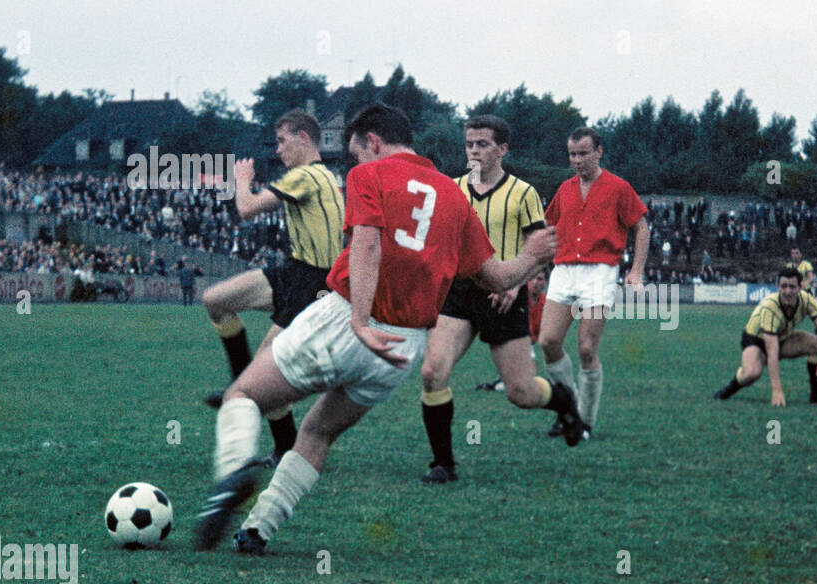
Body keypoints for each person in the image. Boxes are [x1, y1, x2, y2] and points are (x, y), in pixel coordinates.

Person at [194, 103, 559, 553]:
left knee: (242, 396)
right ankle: (257, 530)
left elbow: (366, 244)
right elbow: (497, 277)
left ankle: (233, 475)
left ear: (374, 143)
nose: (354, 163)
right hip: (401, 350)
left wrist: (360, 320)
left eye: (355, 153)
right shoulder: (453, 196)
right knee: (318, 433)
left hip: (348, 321)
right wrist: (533, 256)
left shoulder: (369, 176)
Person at [417, 116, 586, 483]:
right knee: (432, 372)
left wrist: (515, 283)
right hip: (460, 294)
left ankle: (563, 401)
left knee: (522, 393)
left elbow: (541, 251)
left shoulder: (523, 193)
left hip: (507, 296)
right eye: (469, 144)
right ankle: (443, 463)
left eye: (482, 144)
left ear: (502, 149)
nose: (474, 151)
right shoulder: (452, 189)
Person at [200, 109, 344, 463]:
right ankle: (242, 384)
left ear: (304, 138)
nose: (278, 150)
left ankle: (281, 443)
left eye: (282, 141)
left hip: (314, 282)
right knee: (215, 300)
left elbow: (247, 208)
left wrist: (240, 178)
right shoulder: (320, 177)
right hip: (295, 271)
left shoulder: (308, 175)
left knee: (270, 369)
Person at [537, 126, 649, 442]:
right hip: (564, 269)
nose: (577, 160)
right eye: (572, 154)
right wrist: (533, 266)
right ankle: (567, 408)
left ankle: (584, 421)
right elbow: (549, 227)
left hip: (599, 270)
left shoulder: (618, 187)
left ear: (598, 152)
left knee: (587, 348)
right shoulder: (565, 189)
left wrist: (636, 271)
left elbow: (641, 228)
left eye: (583, 153)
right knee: (547, 342)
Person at [712, 266, 817, 406]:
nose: (788, 291)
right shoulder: (770, 307)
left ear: (800, 287)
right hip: (755, 340)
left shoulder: (807, 300)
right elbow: (772, 352)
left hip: (782, 337)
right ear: (777, 286)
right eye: (783, 286)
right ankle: (730, 388)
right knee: (752, 373)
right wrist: (777, 390)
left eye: (792, 287)